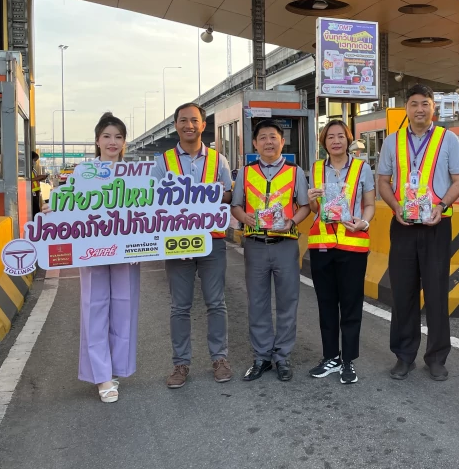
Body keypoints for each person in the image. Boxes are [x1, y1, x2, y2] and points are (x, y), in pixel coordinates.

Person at [43, 112, 140, 403]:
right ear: (97, 140)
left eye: (119, 137)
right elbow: (68, 201)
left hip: (127, 249)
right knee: (94, 307)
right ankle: (102, 376)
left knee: (125, 307)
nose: (113, 142)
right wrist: (54, 207)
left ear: (124, 142)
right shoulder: (84, 173)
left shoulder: (135, 174)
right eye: (107, 136)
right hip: (93, 250)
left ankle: (117, 368)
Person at [376, 84, 459, 381]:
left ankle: (437, 357)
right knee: (402, 293)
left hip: (436, 225)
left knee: (438, 292)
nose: (419, 109)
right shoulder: (392, 141)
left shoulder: (448, 139)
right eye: (414, 104)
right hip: (402, 225)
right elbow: (384, 181)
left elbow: (458, 180)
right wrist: (395, 207)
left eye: (425, 104)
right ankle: (404, 356)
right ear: (407, 108)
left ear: (433, 108)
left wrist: (441, 205)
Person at [152, 102, 233, 389]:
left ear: (203, 124)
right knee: (180, 307)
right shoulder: (162, 162)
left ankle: (220, 359)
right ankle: (181, 364)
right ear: (176, 125)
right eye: (183, 120)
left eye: (194, 120)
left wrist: (212, 197)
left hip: (213, 241)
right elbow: (152, 200)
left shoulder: (218, 160)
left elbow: (229, 196)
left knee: (216, 303)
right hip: (177, 243)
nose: (189, 125)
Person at [231, 120, 311, 382]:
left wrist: (293, 221)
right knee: (258, 303)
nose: (268, 142)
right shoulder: (245, 172)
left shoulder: (295, 171)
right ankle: (262, 356)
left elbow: (305, 205)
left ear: (282, 141)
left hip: (286, 245)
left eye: (273, 137)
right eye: (262, 137)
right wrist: (245, 218)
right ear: (255, 144)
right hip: (255, 246)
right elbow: (236, 206)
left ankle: (283, 356)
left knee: (288, 303)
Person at [306, 120, 376, 384]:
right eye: (330, 137)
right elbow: (315, 209)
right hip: (322, 245)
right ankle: (330, 357)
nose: (335, 141)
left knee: (350, 304)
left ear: (348, 140)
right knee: (325, 305)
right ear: (324, 142)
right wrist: (312, 199)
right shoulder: (314, 169)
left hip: (353, 245)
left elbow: (369, 203)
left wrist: (364, 222)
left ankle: (348, 360)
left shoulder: (362, 168)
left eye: (340, 136)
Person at [30, 151, 48, 217]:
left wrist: (41, 178)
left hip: (36, 191)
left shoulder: (33, 169)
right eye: (34, 160)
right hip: (31, 192)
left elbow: (35, 178)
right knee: (34, 209)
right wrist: (37, 178)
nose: (35, 162)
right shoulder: (27, 169)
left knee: (37, 208)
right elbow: (27, 180)